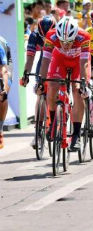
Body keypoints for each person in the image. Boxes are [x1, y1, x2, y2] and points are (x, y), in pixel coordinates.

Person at [37, 17, 91, 152]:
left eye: (69, 42)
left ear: (75, 36)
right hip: (59, 60)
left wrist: (84, 82)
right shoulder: (51, 36)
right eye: (62, 41)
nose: (65, 45)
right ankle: (54, 123)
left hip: (78, 63)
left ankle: (77, 135)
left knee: (78, 91)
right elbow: (45, 61)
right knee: (51, 87)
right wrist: (41, 81)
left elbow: (84, 63)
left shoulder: (84, 37)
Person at [19, 16, 56, 148]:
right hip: (43, 62)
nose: (46, 40)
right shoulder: (34, 36)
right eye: (43, 37)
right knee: (40, 94)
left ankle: (60, 120)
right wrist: (26, 75)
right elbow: (30, 58)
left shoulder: (59, 34)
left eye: (49, 36)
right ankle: (38, 133)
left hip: (58, 61)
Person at [0, 36, 12, 149]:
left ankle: (0, 128)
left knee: (3, 95)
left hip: (4, 65)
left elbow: (4, 69)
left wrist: (4, 87)